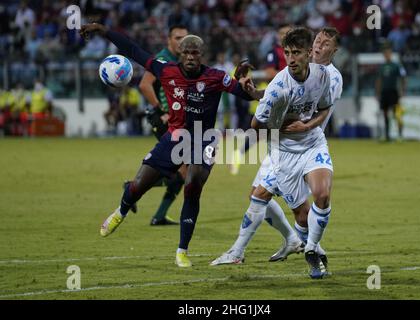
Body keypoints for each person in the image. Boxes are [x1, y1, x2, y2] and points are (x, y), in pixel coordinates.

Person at [79, 23, 258, 268]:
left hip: (204, 138)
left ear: (201, 55)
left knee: (193, 183)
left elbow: (245, 93)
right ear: (180, 55)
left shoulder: (216, 77)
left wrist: (251, 89)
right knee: (139, 184)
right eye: (186, 53)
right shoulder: (166, 70)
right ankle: (120, 212)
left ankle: (182, 251)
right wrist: (102, 29)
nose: (191, 57)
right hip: (174, 137)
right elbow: (132, 50)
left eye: (195, 53)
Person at [211, 28, 343, 275]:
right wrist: (258, 95)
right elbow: (278, 100)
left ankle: (303, 247)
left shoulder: (329, 77)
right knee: (275, 203)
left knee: (308, 196)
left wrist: (304, 124)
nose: (318, 46)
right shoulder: (285, 80)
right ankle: (299, 244)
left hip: (311, 143)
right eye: (317, 41)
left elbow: (319, 107)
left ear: (334, 51)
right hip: (282, 151)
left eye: (325, 44)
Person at [138, 25, 188, 226]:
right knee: (185, 169)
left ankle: (158, 214)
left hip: (176, 122)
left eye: (185, 38)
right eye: (178, 38)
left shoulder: (181, 60)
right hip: (163, 121)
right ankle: (136, 186)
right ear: (169, 40)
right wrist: (160, 110)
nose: (181, 42)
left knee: (183, 169)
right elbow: (144, 84)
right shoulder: (162, 59)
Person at [230, 24, 291, 175]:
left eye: (288, 33)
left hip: (291, 98)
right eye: (282, 33)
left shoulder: (294, 52)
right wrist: (290, 75)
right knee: (265, 131)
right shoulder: (275, 52)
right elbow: (269, 72)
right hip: (278, 98)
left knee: (270, 132)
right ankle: (241, 155)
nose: (284, 36)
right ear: (277, 35)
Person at [375, 42, 407, 141]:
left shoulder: (396, 66)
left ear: (391, 54)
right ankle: (387, 135)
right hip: (385, 93)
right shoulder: (382, 67)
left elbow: (403, 78)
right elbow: (379, 80)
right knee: (385, 114)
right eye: (385, 53)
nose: (387, 55)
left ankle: (400, 135)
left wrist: (402, 90)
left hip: (394, 92)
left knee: (397, 114)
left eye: (388, 53)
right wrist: (377, 93)